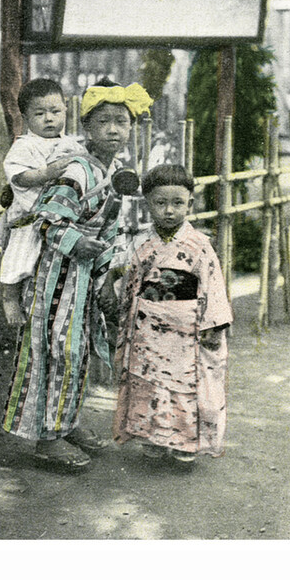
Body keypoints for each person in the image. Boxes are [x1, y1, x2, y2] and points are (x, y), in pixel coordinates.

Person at [2, 80, 154, 468]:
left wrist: (106, 276)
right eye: (104, 121)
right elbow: (49, 220)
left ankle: (66, 424)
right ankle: (46, 439)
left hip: (86, 274)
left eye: (122, 122)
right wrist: (76, 243)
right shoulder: (77, 168)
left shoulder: (116, 170)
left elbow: (112, 229)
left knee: (78, 352)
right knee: (56, 351)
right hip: (55, 274)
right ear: (87, 128)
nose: (114, 130)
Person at [112, 163, 233, 464]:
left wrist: (213, 325)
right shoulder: (141, 241)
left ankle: (183, 443)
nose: (169, 210)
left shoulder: (200, 246)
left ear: (190, 204)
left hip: (186, 330)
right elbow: (129, 281)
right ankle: (153, 437)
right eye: (160, 203)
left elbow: (213, 285)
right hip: (147, 329)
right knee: (149, 383)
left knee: (184, 388)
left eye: (177, 203)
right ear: (148, 203)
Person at [0, 78, 85, 326]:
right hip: (30, 214)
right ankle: (10, 297)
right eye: (40, 113)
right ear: (25, 117)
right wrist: (46, 172)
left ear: (65, 110)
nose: (48, 118)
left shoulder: (71, 145)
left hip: (61, 214)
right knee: (20, 256)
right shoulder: (25, 146)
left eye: (55, 111)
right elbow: (19, 177)